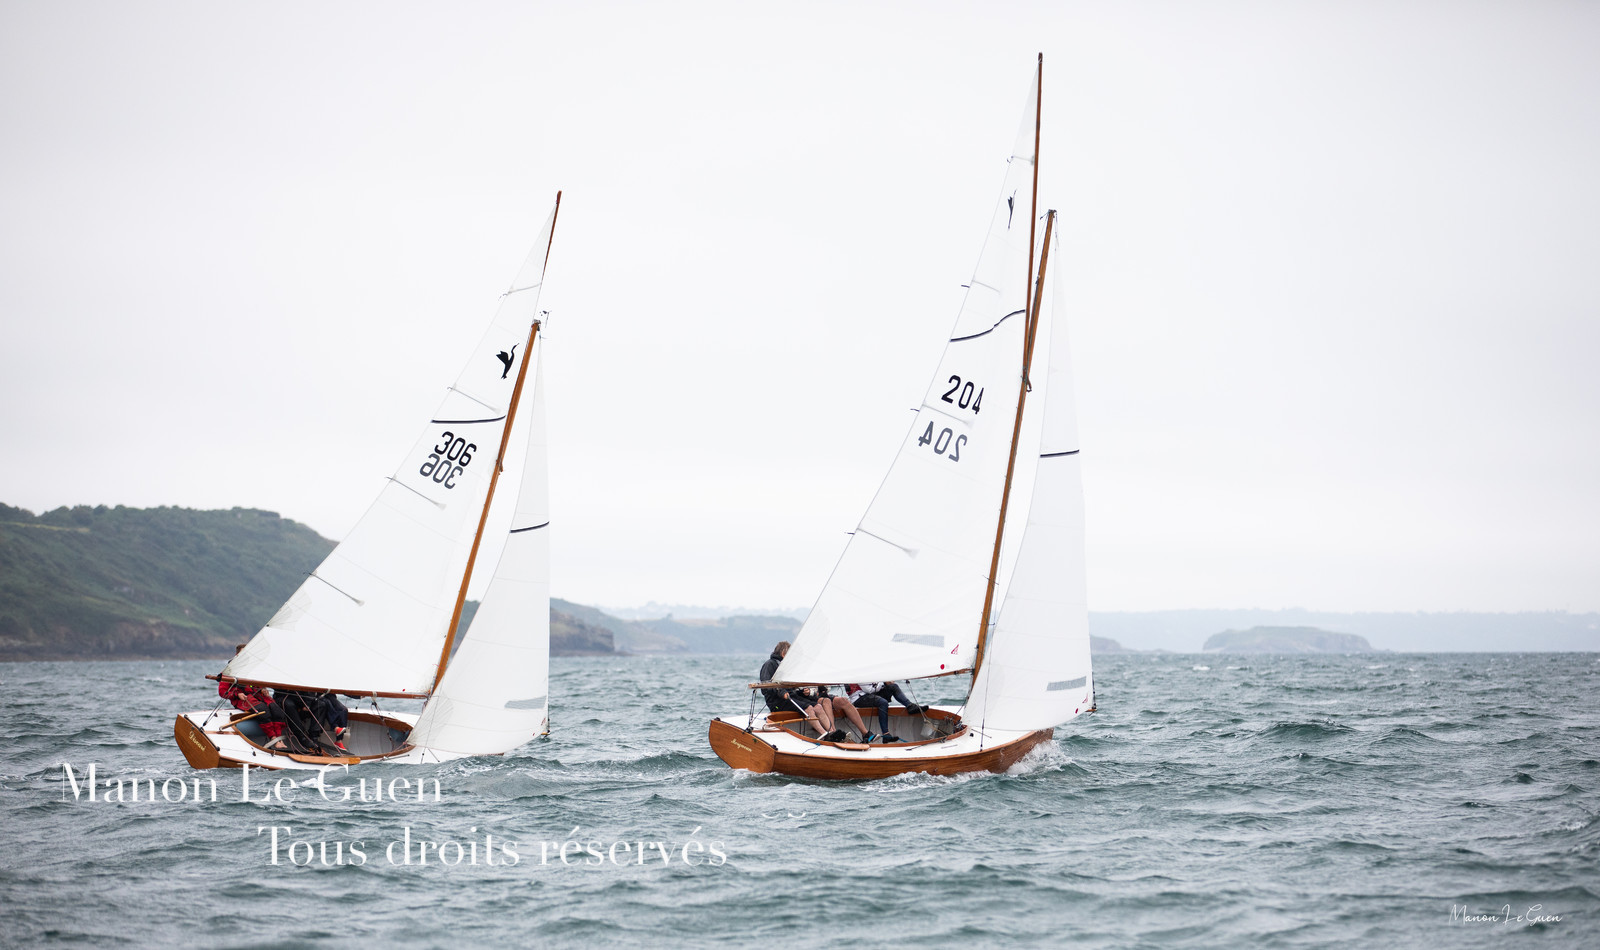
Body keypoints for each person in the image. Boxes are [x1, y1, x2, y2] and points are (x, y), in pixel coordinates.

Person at [758, 641, 845, 741]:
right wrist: (782, 692)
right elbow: (766, 686)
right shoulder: (769, 664)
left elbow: (790, 688)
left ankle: (832, 732)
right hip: (778, 701)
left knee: (818, 707)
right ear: (783, 653)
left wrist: (801, 692)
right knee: (808, 708)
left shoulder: (784, 667)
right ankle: (825, 734)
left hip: (791, 697)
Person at [846, 681, 923, 742]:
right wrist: (884, 682)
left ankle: (910, 706)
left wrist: (886, 683)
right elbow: (869, 690)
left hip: (869, 694)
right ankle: (886, 734)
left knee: (893, 687)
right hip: (859, 698)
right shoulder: (860, 674)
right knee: (883, 703)